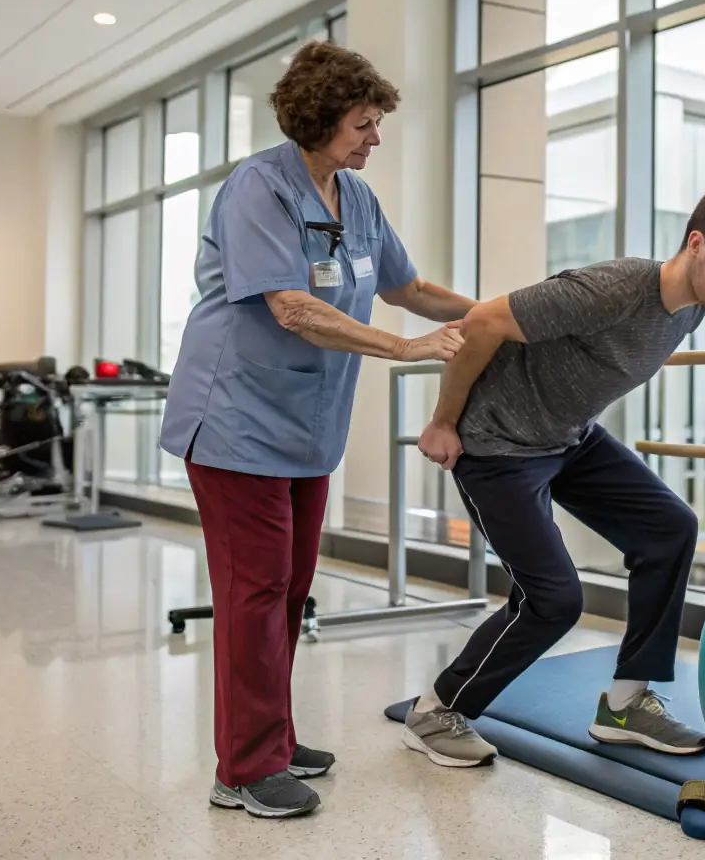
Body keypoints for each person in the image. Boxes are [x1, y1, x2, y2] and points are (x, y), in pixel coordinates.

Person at [159, 41, 475, 817]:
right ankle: (242, 767)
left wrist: (494, 315)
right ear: (321, 120)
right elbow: (291, 306)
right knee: (255, 592)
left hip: (306, 427)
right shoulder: (256, 189)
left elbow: (407, 286)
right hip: (236, 420)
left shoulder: (355, 198)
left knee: (290, 589)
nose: (375, 138)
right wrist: (404, 349)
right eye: (365, 124)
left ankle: (269, 738)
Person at [407, 186, 705, 767]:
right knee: (554, 600)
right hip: (498, 446)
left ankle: (626, 704)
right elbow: (483, 322)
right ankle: (437, 709)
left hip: (568, 438)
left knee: (670, 527)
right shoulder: (612, 288)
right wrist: (443, 421)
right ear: (695, 245)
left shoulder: (690, 310)